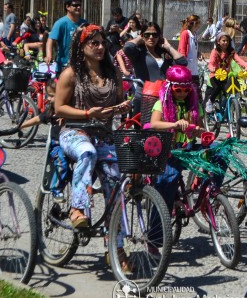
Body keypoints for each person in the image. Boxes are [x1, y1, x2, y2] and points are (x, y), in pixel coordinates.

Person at [53, 25, 130, 233]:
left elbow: (118, 104)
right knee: (87, 152)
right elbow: (59, 108)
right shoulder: (70, 74)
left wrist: (123, 107)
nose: (100, 47)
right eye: (94, 42)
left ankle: (116, 247)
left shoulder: (113, 73)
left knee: (117, 182)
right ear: (81, 45)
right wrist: (88, 114)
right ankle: (77, 208)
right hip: (73, 132)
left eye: (103, 43)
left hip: (103, 134)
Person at [148, 65, 204, 214]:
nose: (183, 93)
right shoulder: (161, 103)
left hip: (187, 148)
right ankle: (157, 229)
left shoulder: (194, 106)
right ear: (169, 88)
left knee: (219, 153)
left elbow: (201, 129)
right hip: (168, 149)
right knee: (167, 179)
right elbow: (154, 124)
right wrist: (174, 124)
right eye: (178, 89)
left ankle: (210, 191)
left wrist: (196, 131)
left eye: (187, 90)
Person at [123, 22, 187, 111]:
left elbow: (182, 63)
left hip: (163, 97)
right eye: (147, 34)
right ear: (142, 35)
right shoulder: (138, 52)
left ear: (159, 36)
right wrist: (138, 38)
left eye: (155, 35)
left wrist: (168, 46)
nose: (151, 37)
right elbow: (127, 48)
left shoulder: (163, 52)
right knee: (145, 124)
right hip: (144, 96)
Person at [205, 33, 247, 107]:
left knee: (228, 91)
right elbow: (211, 62)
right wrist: (211, 68)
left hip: (225, 76)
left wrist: (246, 66)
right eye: (223, 40)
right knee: (217, 87)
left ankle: (226, 108)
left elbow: (238, 60)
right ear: (218, 41)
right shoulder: (215, 51)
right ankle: (210, 102)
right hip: (215, 75)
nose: (226, 43)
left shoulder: (231, 52)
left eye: (227, 41)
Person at [46, 0, 85, 72]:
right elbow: (50, 40)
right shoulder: (60, 23)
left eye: (80, 5)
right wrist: (49, 55)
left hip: (81, 65)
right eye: (75, 5)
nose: (79, 7)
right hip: (64, 65)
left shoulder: (84, 23)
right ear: (67, 7)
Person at [177, 14, 201, 80]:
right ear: (194, 23)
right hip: (187, 68)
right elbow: (182, 49)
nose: (200, 24)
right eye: (199, 22)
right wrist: (183, 65)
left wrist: (198, 54)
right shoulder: (185, 33)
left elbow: (193, 48)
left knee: (195, 88)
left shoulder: (195, 34)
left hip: (194, 68)